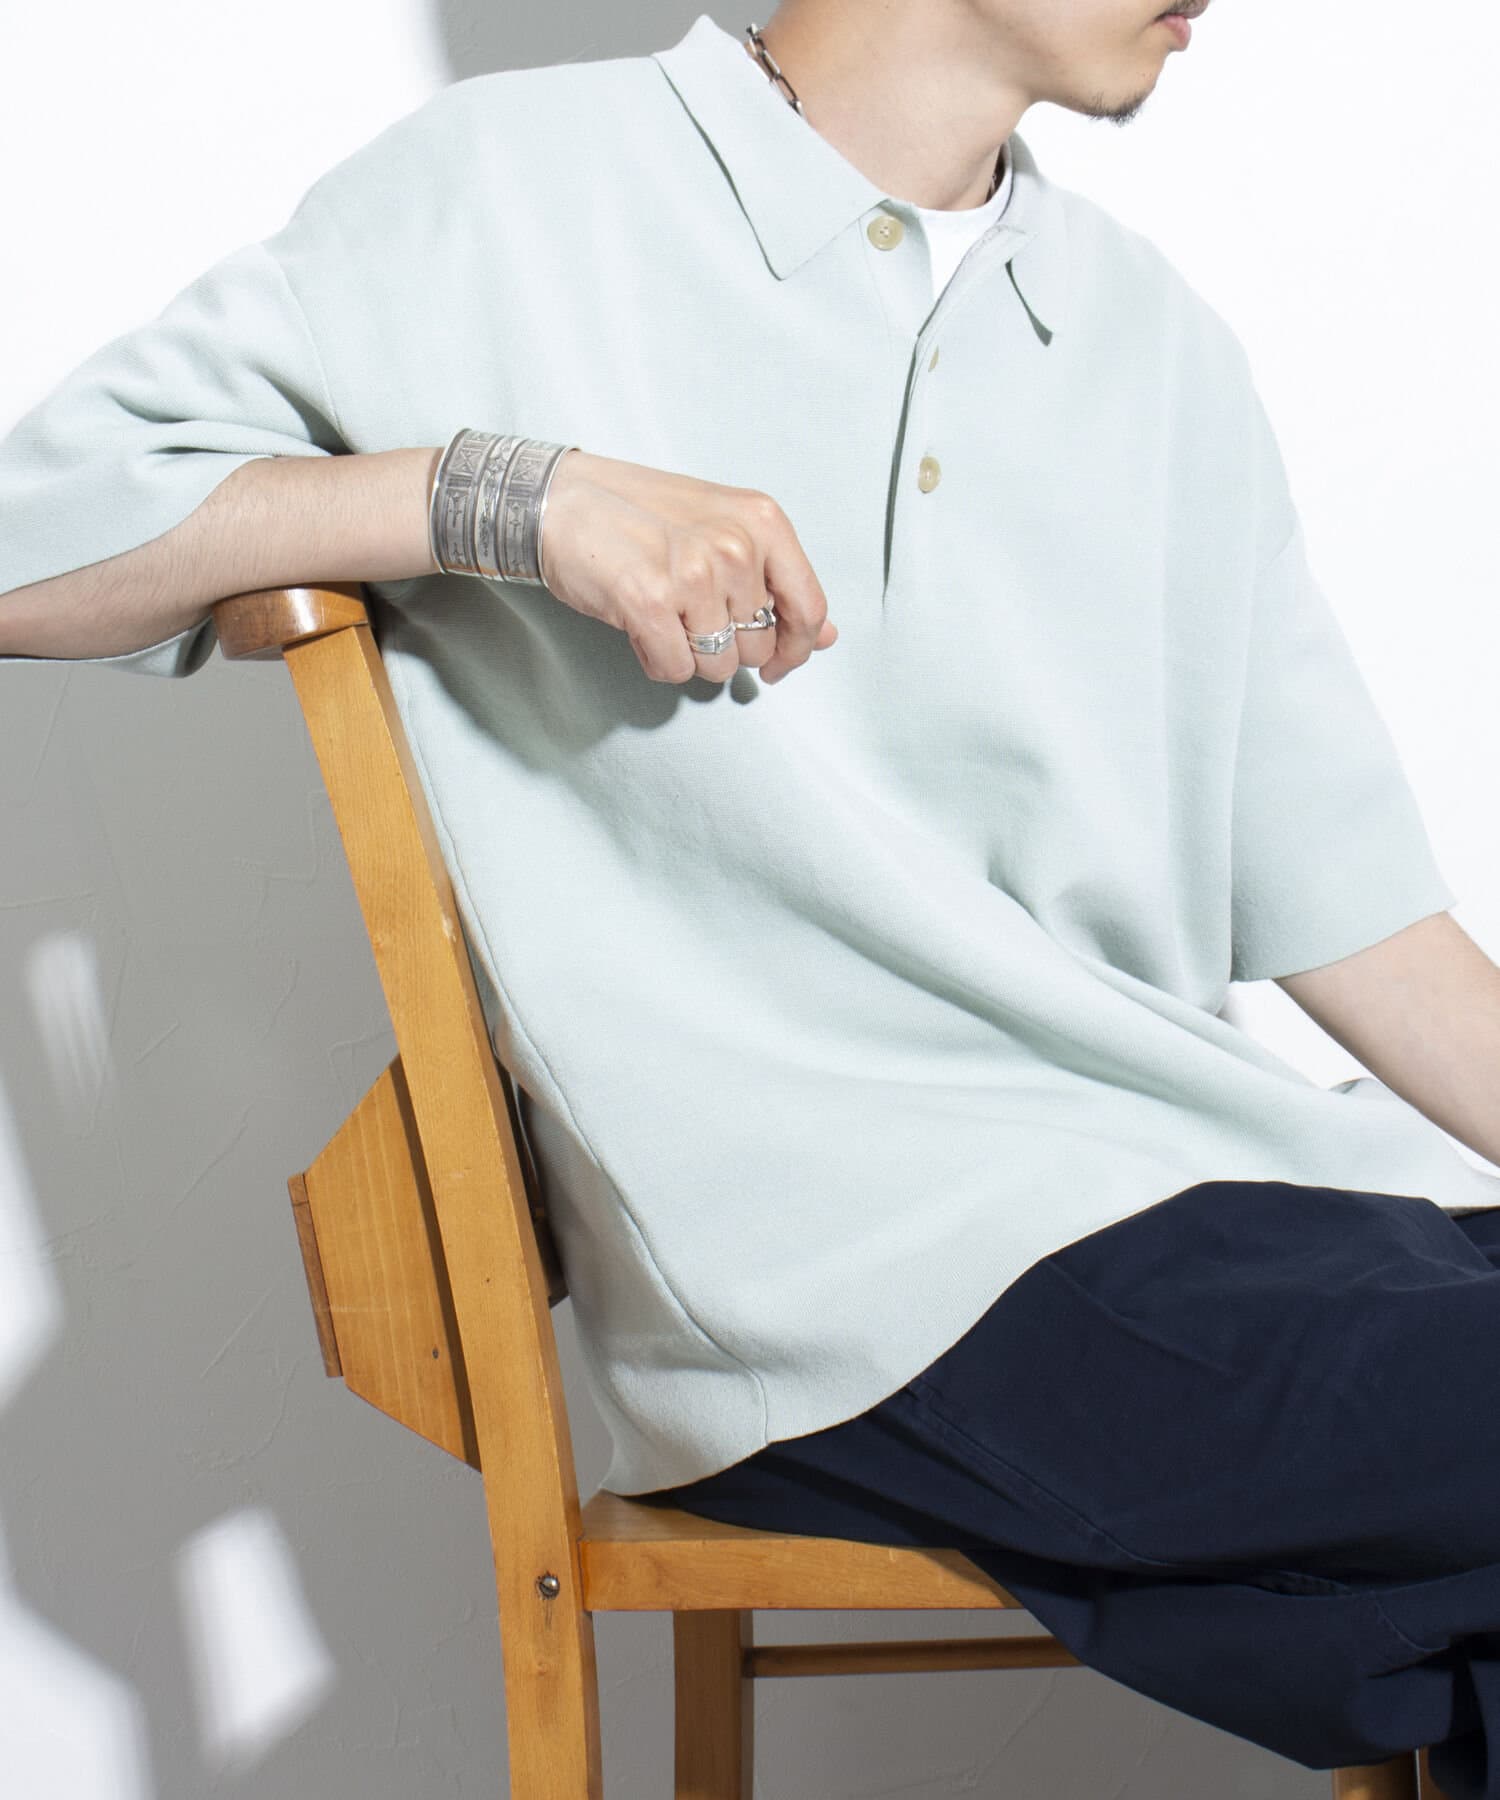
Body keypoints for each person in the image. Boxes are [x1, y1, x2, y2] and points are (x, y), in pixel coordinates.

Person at [3, 4, 1499, 1788]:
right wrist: (511, 496)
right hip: (859, 1277)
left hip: (1247, 1211)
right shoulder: (506, 200)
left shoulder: (1154, 344)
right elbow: (25, 543)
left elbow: (1363, 922)